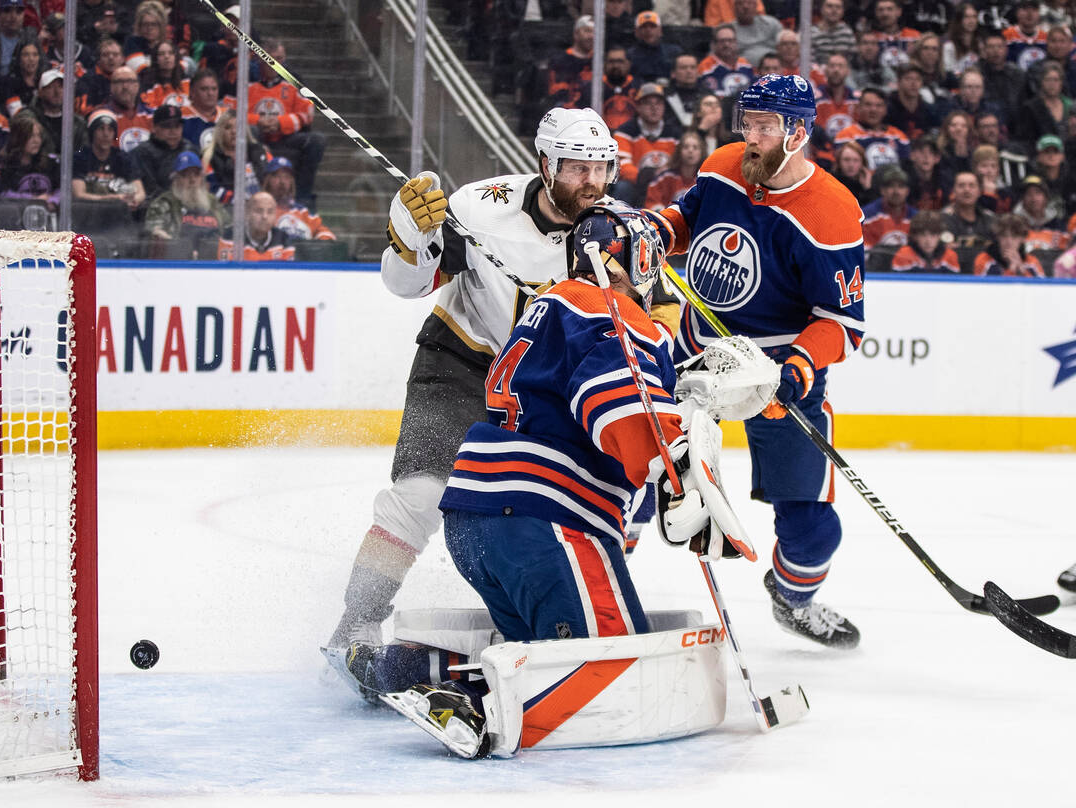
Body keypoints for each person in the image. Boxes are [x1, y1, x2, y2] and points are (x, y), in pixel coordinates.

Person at [376, 204, 757, 759]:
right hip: (546, 525)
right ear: (637, 260)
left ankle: (406, 666)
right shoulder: (615, 311)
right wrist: (674, 475)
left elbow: (595, 396)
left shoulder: (547, 304)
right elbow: (619, 404)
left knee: (535, 651)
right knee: (613, 668)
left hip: (476, 517)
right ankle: (468, 706)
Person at [323, 108, 629, 653]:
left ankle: (562, 615)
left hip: (552, 392)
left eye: (602, 168)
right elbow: (405, 285)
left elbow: (653, 322)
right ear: (546, 164)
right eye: (578, 169)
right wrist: (407, 239)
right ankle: (356, 621)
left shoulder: (620, 231)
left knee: (597, 513)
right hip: (464, 366)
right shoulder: (478, 210)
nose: (594, 183)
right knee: (417, 498)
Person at [655, 74, 865, 649]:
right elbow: (685, 220)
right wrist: (649, 231)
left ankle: (793, 598)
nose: (751, 136)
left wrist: (798, 368)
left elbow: (843, 325)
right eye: (748, 122)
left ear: (797, 133)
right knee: (623, 464)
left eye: (765, 126)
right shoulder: (725, 164)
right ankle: (590, 580)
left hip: (772, 381)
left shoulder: (831, 212)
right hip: (694, 356)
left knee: (814, 532)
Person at [248, 37, 324, 211]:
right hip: (257, 139)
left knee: (317, 140)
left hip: (285, 137)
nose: (275, 64)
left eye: (280, 59)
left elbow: (307, 112)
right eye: (269, 59)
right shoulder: (247, 77)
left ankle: (303, 197)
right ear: (260, 58)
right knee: (249, 132)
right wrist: (258, 121)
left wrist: (281, 123)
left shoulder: (293, 80)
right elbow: (232, 112)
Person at [143, 150, 230, 260]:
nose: (192, 180)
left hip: (214, 259)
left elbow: (229, 229)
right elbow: (153, 231)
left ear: (202, 178)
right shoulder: (164, 203)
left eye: (196, 174)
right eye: (185, 175)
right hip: (178, 261)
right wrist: (182, 250)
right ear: (176, 179)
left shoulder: (213, 202)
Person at [612, 82, 679, 206]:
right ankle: (620, 220)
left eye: (658, 103)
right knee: (623, 187)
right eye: (648, 103)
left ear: (664, 106)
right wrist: (650, 177)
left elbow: (680, 163)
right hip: (637, 185)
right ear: (638, 107)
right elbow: (623, 166)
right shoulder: (625, 131)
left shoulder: (675, 133)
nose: (654, 108)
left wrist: (662, 179)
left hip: (667, 184)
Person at [71, 110, 144, 213]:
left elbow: (141, 193)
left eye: (110, 130)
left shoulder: (123, 158)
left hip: (118, 215)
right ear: (92, 133)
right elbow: (79, 194)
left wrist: (134, 200)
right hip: (88, 214)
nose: (106, 134)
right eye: (101, 129)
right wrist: (113, 199)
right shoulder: (80, 158)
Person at [259, 157, 337, 242]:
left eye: (286, 177)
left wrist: (323, 240)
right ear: (267, 180)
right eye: (277, 176)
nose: (282, 181)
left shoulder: (303, 212)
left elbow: (324, 232)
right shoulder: (259, 210)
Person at [202, 109, 269, 205]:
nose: (233, 132)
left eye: (238, 127)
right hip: (228, 208)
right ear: (220, 131)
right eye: (228, 127)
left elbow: (271, 178)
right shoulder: (209, 157)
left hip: (262, 206)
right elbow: (211, 188)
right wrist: (238, 201)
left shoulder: (259, 151)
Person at [130, 103, 194, 199]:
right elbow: (150, 189)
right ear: (154, 128)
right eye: (167, 126)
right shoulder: (142, 153)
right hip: (157, 206)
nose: (173, 131)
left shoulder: (189, 149)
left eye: (177, 126)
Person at [0, 111, 60, 206]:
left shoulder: (51, 163)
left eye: (39, 136)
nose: (36, 141)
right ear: (18, 138)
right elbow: (4, 194)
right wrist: (34, 200)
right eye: (31, 136)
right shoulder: (6, 165)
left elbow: (62, 190)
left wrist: (53, 201)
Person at [216, 191, 294, 261]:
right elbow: (228, 273)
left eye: (270, 212)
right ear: (247, 213)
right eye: (259, 211)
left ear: (275, 215)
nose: (264, 216)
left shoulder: (283, 238)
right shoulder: (231, 236)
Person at [645, 130, 706, 209]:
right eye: (686, 147)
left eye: (695, 147)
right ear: (679, 151)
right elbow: (653, 203)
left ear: (702, 153)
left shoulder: (703, 181)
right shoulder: (666, 177)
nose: (690, 151)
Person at [973, 212, 1046, 275]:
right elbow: (986, 289)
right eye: (1004, 236)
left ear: (1023, 238)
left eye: (1014, 236)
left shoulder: (1032, 262)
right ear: (997, 237)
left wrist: (1021, 270)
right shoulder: (983, 259)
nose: (1009, 241)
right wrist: (1011, 270)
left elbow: (1042, 288)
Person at [863, 164, 917, 247]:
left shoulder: (916, 218)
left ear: (907, 191)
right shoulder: (867, 216)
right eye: (891, 186)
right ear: (882, 190)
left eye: (901, 186)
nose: (896, 191)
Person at [888, 210, 961, 272]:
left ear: (939, 236)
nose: (928, 241)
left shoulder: (950, 256)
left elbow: (955, 286)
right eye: (923, 235)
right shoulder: (904, 255)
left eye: (933, 235)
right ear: (915, 236)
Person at [942, 170, 997, 247]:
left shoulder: (990, 218)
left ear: (979, 192)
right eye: (961, 186)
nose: (967, 190)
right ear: (953, 191)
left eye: (972, 186)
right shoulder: (942, 219)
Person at [699, 23, 754, 98]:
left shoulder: (746, 65)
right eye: (722, 41)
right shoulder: (705, 66)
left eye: (730, 40)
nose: (726, 44)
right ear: (714, 44)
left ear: (736, 43)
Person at [627, 10, 679, 84]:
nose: (648, 30)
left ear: (660, 30)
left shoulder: (673, 52)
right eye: (644, 27)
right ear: (636, 32)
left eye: (653, 26)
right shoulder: (629, 55)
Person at [810, 0, 856, 65]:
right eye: (829, 6)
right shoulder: (812, 33)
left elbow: (852, 60)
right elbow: (810, 61)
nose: (834, 10)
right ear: (821, 9)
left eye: (838, 7)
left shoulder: (847, 32)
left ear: (842, 11)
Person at [832, 140, 876, 204]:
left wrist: (867, 187)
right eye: (846, 160)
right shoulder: (831, 182)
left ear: (862, 164)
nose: (851, 165)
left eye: (856, 160)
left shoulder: (867, 183)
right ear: (839, 162)